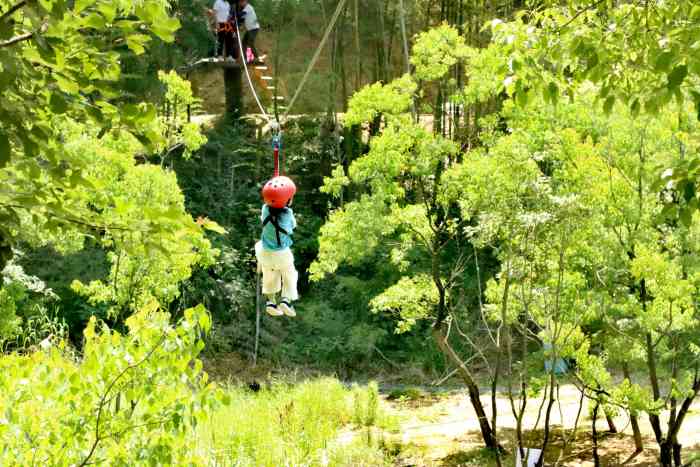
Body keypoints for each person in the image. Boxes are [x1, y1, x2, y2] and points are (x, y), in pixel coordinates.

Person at [255, 176, 299, 317]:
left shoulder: (265, 209)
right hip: (281, 253)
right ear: (286, 199)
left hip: (264, 251)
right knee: (290, 275)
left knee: (270, 275)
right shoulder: (288, 214)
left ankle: (271, 302)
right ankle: (285, 300)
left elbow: (270, 205)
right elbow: (292, 227)